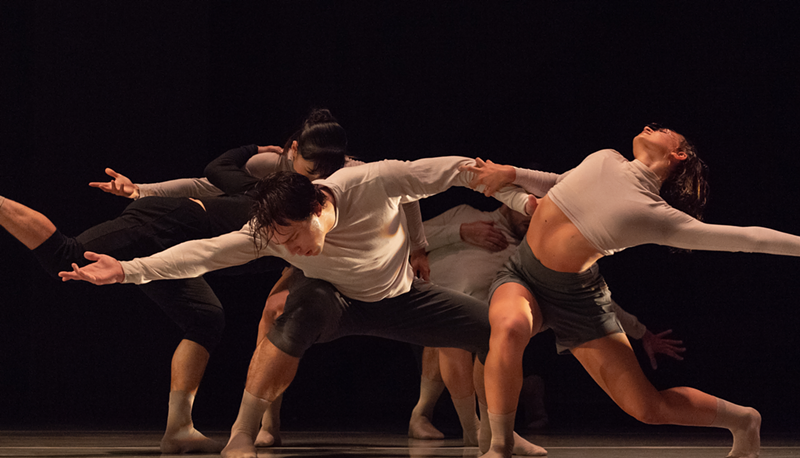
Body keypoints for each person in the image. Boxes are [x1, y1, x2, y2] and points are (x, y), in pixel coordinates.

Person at [57, 157, 546, 458]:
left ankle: (497, 437)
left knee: (495, 330)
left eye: (292, 235)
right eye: (278, 240)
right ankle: (242, 435)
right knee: (292, 315)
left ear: (317, 208)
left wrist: (523, 202)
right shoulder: (267, 232)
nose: (287, 245)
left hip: (401, 296)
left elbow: (464, 169)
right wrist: (127, 269)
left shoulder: (373, 182)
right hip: (334, 298)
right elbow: (201, 254)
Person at [0, 109, 350, 454]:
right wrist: (143, 191)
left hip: (178, 252)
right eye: (311, 168)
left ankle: (179, 429)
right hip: (166, 223)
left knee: (205, 318)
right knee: (66, 255)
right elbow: (207, 178)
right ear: (292, 155)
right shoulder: (261, 193)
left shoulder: (313, 216)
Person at [460, 123, 800, 458]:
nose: (649, 126)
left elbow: (750, 239)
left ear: (678, 154)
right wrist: (512, 173)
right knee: (508, 327)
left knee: (646, 408)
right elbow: (560, 183)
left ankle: (743, 419)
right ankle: (500, 446)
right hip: (523, 273)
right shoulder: (605, 158)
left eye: (664, 129)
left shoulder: (658, 216)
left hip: (578, 300)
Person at [409, 203, 686, 439]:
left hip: (477, 323)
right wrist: (459, 231)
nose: (531, 216)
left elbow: (590, 297)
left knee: (478, 340)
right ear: (508, 201)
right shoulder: (463, 213)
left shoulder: (531, 253)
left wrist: (642, 333)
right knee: (450, 333)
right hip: (428, 303)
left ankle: (483, 429)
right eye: (527, 208)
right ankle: (431, 416)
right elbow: (406, 237)